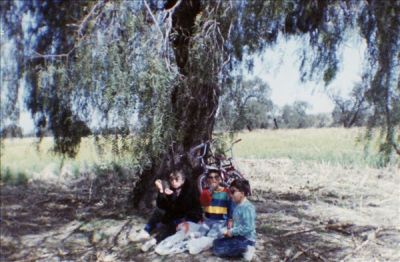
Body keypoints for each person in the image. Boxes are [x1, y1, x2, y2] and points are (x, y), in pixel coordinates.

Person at [133, 167, 203, 252]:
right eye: (172, 179)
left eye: (176, 179)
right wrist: (161, 191)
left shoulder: (189, 190)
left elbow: (182, 208)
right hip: (175, 213)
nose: (173, 182)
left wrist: (171, 197)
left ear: (183, 180)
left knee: (171, 226)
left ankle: (154, 241)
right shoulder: (171, 188)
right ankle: (146, 231)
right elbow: (161, 205)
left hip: (188, 216)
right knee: (158, 212)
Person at [186, 168, 235, 254]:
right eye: (211, 178)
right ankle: (196, 242)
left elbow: (231, 207)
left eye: (216, 177)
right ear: (207, 180)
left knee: (211, 235)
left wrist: (230, 219)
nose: (213, 180)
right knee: (200, 232)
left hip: (220, 221)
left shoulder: (226, 192)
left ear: (220, 179)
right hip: (208, 220)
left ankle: (204, 244)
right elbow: (204, 202)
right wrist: (210, 191)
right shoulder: (205, 192)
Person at [212, 179, 256, 261]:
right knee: (216, 242)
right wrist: (231, 224)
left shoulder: (248, 208)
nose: (230, 195)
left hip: (246, 240)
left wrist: (232, 232)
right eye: (229, 192)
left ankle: (247, 249)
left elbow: (248, 227)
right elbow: (235, 220)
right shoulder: (237, 205)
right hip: (237, 237)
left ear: (242, 193)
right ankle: (240, 249)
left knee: (218, 250)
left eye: (233, 192)